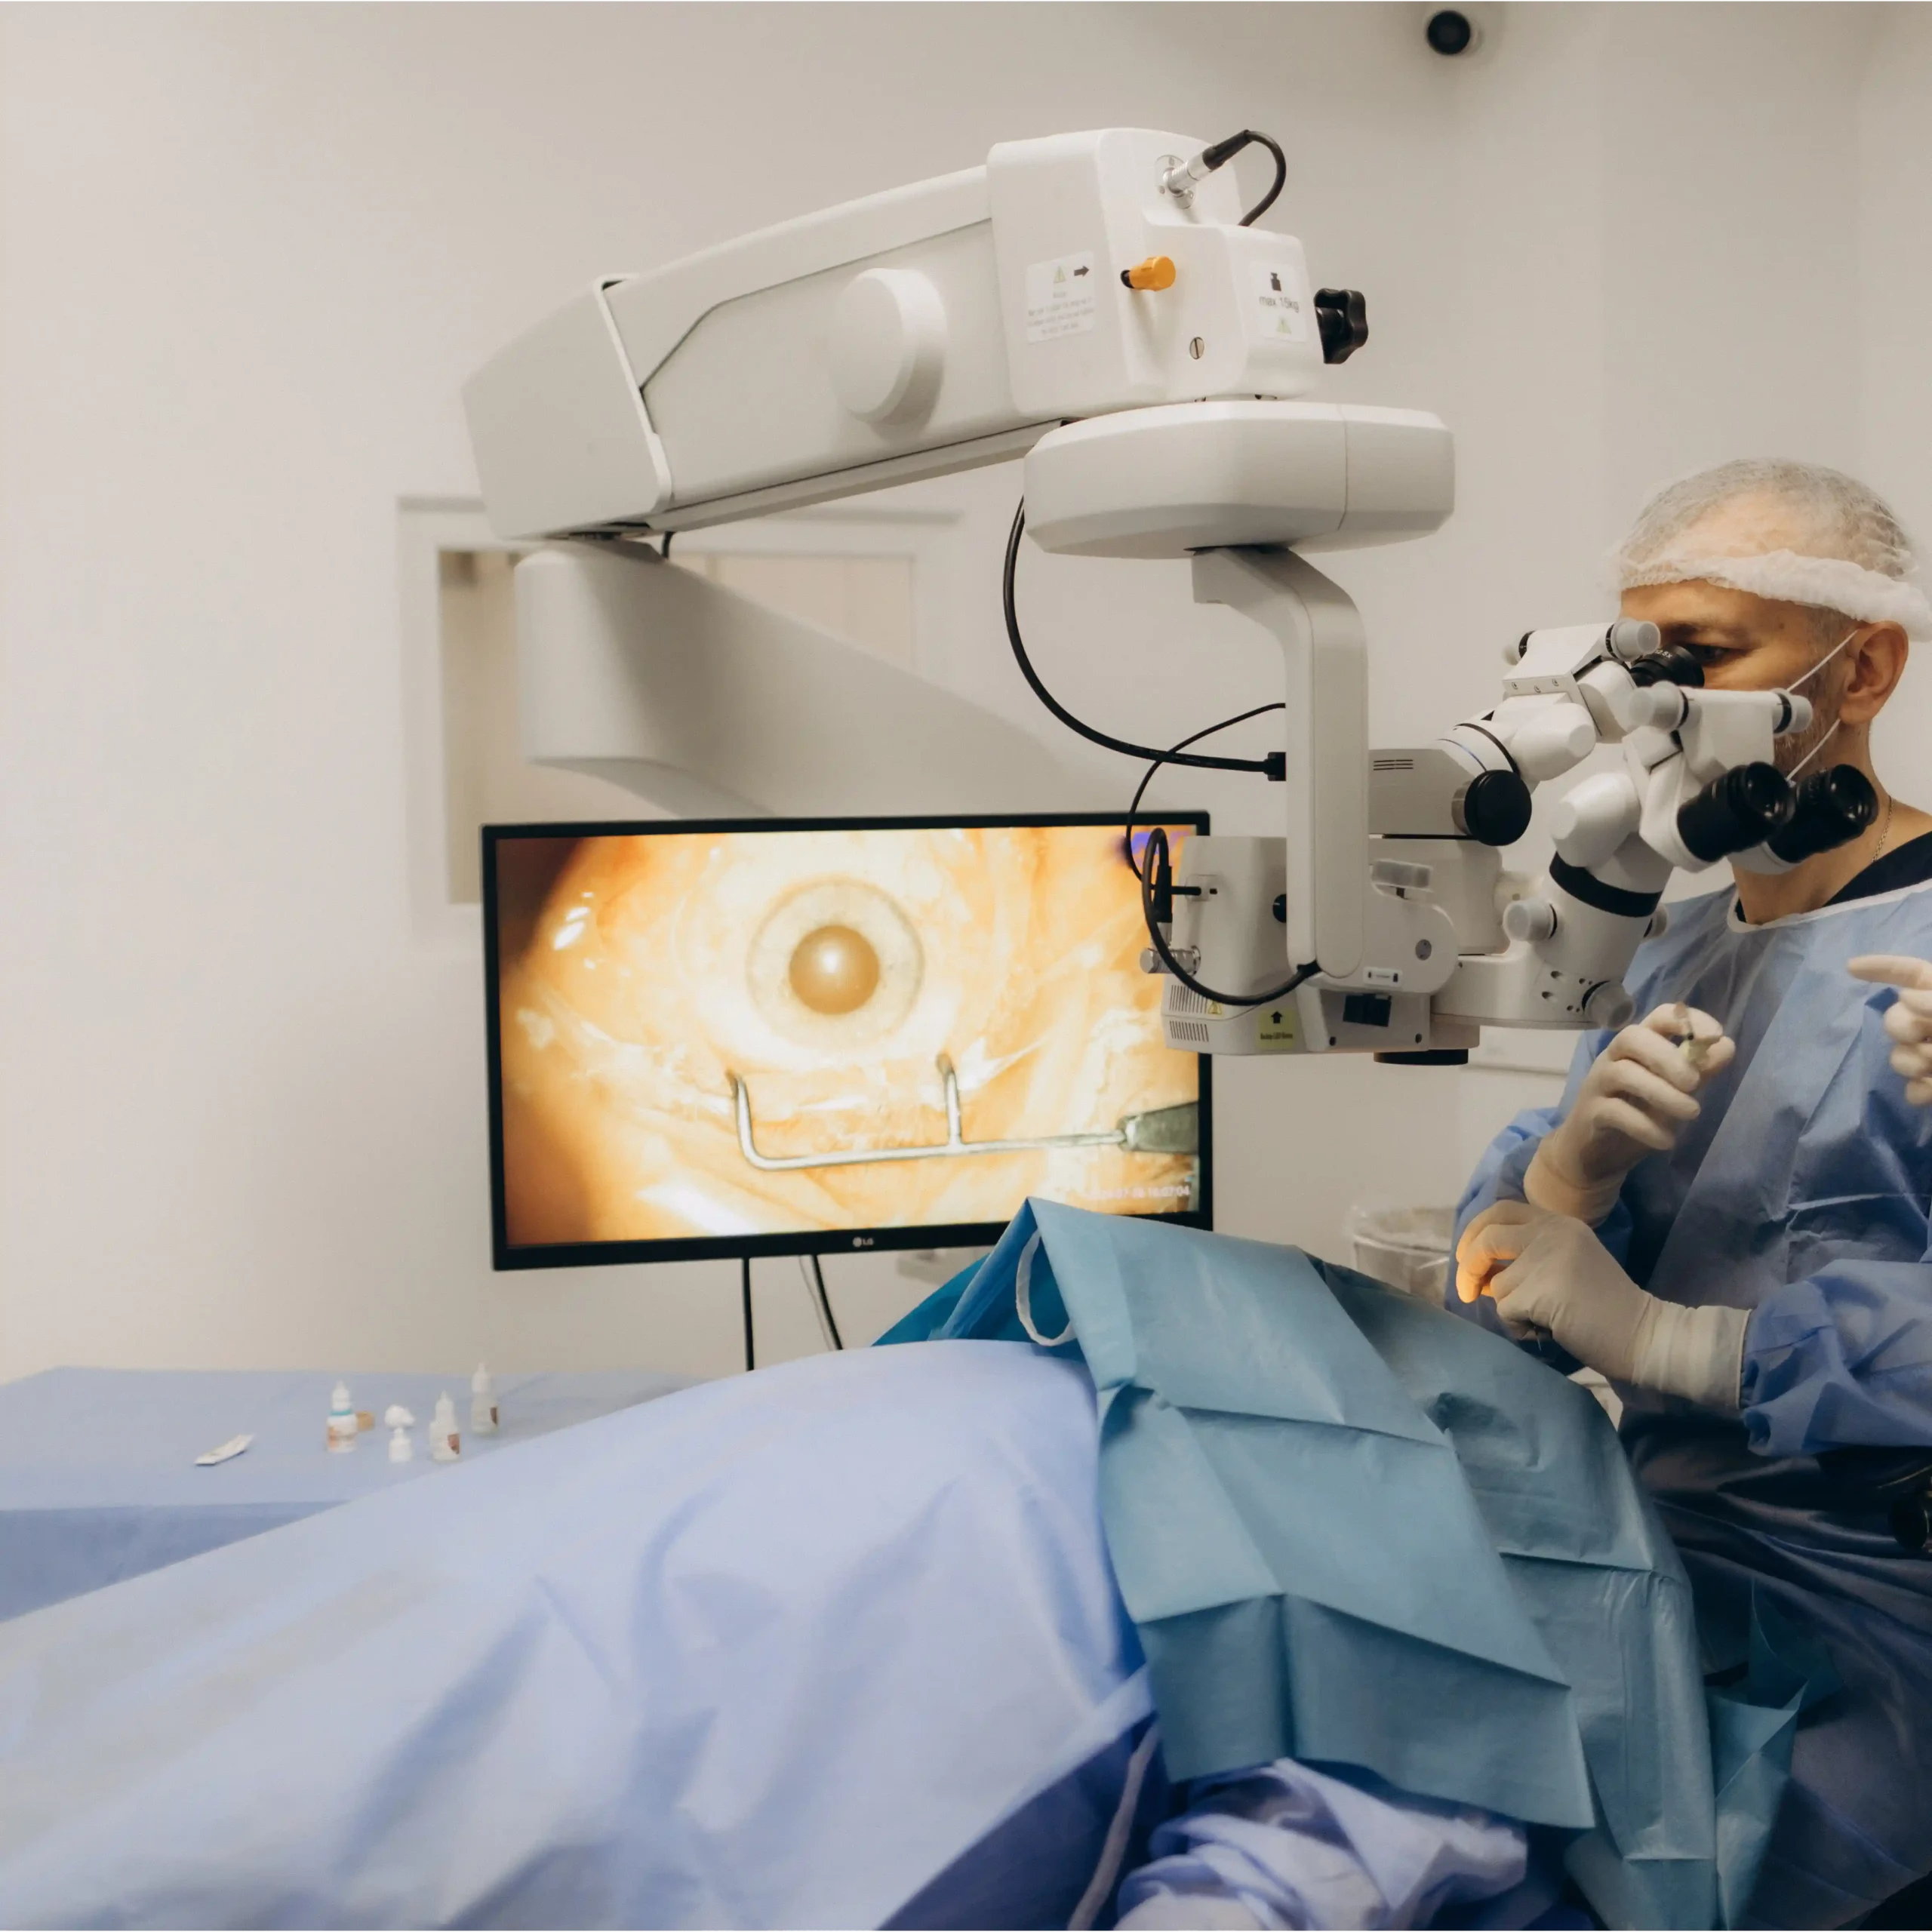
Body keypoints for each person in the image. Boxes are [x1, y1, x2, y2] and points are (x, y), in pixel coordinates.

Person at [1452, 459, 1932, 1930]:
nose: (1651, 711)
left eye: (1703, 658)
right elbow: (1498, 1292)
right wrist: (1562, 1180)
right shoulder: (1662, 951)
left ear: (1863, 671)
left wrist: (1669, 1341)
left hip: (1878, 1611)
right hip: (1652, 1555)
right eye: (1633, 664)